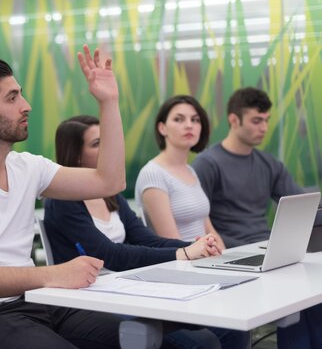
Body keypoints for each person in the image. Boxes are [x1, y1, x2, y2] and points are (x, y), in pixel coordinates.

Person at [0, 46, 127, 348]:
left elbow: (110, 181)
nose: (26, 105)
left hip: (37, 302)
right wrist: (55, 274)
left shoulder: (27, 167)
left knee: (155, 335)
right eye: (12, 98)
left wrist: (108, 102)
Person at [45, 115, 248, 349]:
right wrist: (182, 253)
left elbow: (146, 239)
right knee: (202, 342)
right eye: (97, 143)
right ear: (77, 155)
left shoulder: (111, 195)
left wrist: (194, 247)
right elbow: (109, 255)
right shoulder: (61, 202)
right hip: (86, 302)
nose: (108, 149)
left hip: (128, 289)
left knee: (231, 328)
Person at [192, 87, 322, 349]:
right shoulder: (208, 164)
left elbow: (304, 207)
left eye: (266, 120)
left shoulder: (269, 164)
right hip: (231, 255)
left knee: (314, 297)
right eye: (256, 120)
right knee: (301, 294)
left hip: (266, 250)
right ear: (233, 120)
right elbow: (197, 218)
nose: (263, 127)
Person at [135, 95, 225, 249]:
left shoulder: (190, 170)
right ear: (162, 128)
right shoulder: (153, 173)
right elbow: (172, 244)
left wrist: (226, 258)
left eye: (195, 120)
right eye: (179, 119)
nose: (189, 125)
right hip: (180, 262)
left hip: (206, 258)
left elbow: (209, 230)